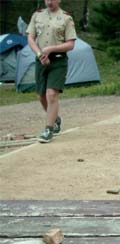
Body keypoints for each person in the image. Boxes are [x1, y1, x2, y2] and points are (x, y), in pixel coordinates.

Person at [27, 0, 77, 143]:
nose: (49, 2)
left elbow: (71, 44)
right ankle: (56, 119)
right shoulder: (37, 15)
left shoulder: (66, 18)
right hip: (41, 59)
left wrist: (51, 49)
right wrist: (40, 54)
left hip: (58, 61)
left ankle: (49, 129)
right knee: (42, 96)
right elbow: (30, 38)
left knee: (51, 94)